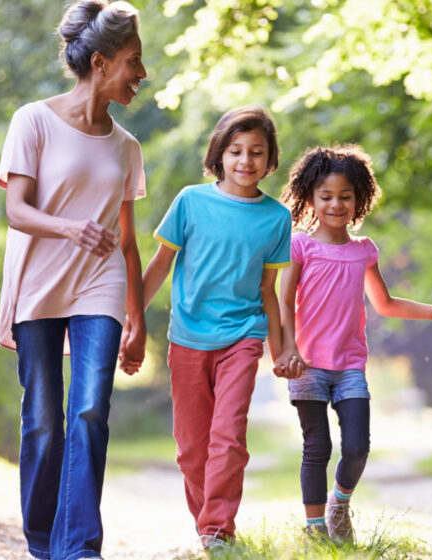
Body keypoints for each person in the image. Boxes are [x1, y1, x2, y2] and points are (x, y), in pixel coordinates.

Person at [0, 2, 148, 559]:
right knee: (42, 420)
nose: (141, 73)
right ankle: (42, 543)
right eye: (134, 61)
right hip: (39, 281)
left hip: (99, 285)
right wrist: (69, 228)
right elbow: (15, 210)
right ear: (101, 62)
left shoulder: (127, 146)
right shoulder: (32, 120)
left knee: (89, 410)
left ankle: (77, 546)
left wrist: (139, 318)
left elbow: (127, 242)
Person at [276, 145, 432, 542]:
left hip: (349, 367)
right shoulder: (300, 247)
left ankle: (339, 503)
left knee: (357, 446)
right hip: (306, 364)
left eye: (345, 196)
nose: (336, 204)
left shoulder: (364, 251)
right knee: (316, 447)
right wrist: (286, 349)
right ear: (310, 199)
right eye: (326, 197)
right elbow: (283, 301)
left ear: (359, 199)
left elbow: (386, 303)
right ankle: (315, 530)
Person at [140, 106, 292, 550]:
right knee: (191, 449)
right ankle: (207, 522)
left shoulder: (276, 217)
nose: (246, 161)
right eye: (236, 151)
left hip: (244, 337)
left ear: (270, 160)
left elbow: (269, 291)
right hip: (187, 338)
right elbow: (159, 267)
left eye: (257, 152)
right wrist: (129, 323)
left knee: (228, 435)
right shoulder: (190, 201)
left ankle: (217, 530)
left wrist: (280, 349)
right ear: (219, 155)